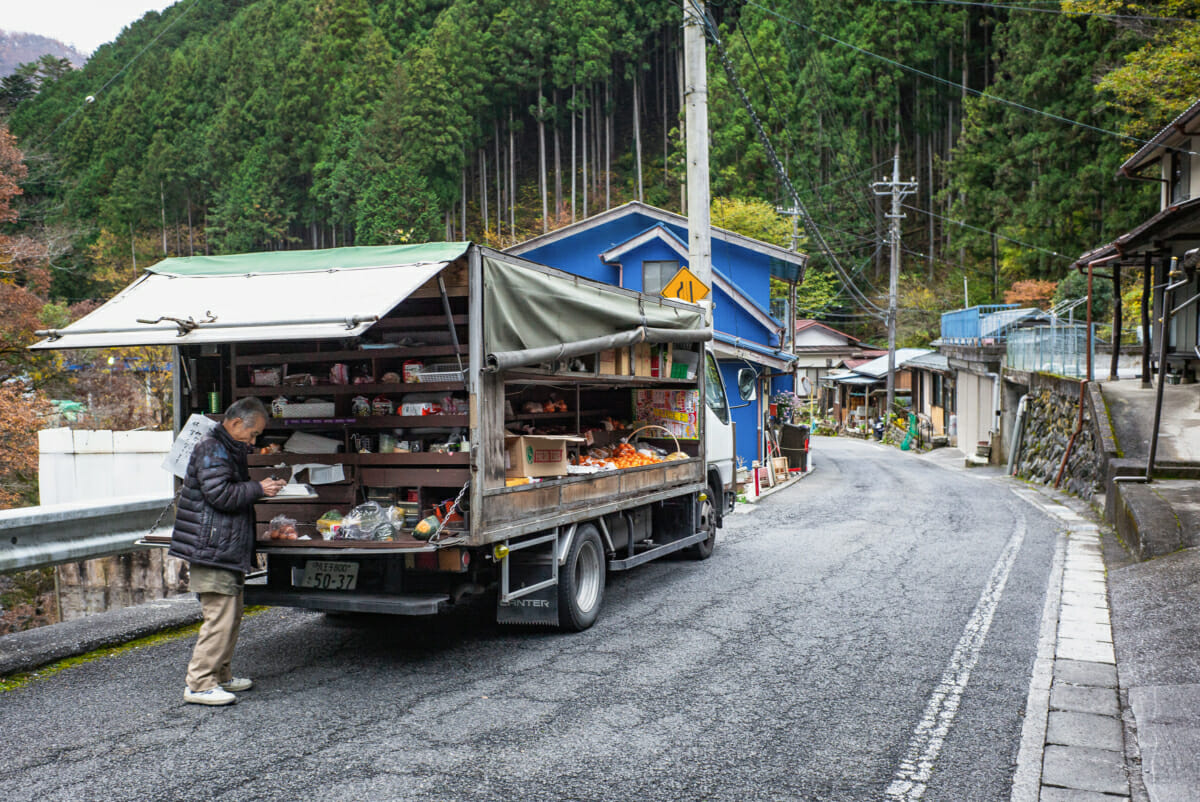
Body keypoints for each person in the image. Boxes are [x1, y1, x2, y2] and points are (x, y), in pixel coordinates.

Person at [169, 397, 286, 706]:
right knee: (219, 617)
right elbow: (220, 494)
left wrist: (259, 489)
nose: (254, 440)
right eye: (253, 433)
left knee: (231, 616)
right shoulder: (212, 448)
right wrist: (260, 489)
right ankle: (198, 683)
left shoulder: (225, 447)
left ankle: (220, 675)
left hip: (223, 545)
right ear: (235, 423)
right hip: (212, 546)